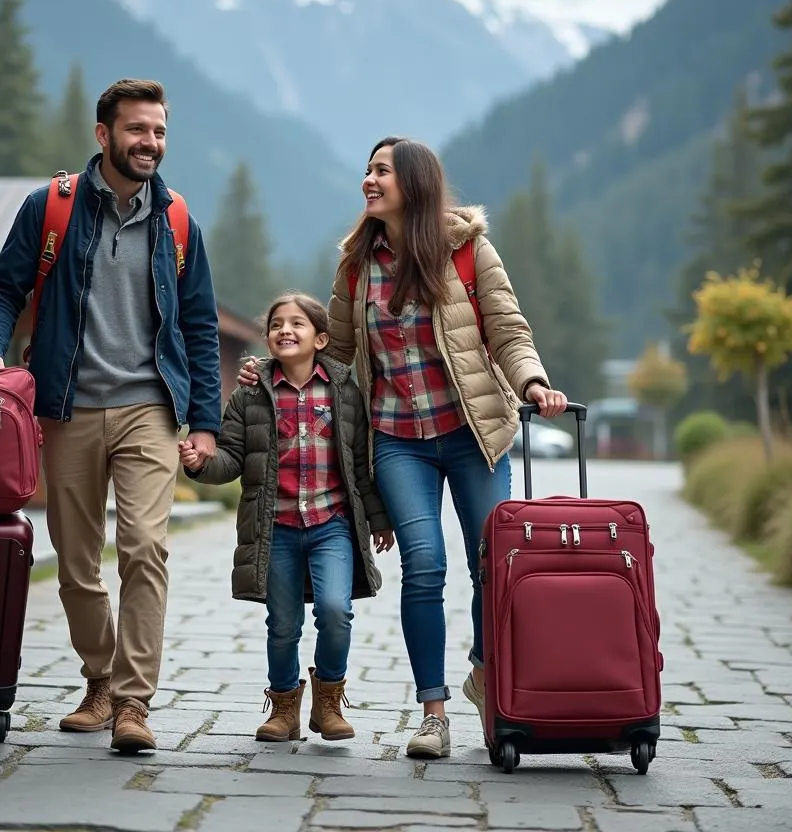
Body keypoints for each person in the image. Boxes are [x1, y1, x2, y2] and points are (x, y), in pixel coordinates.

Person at [239, 137, 567, 760]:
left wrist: (533, 382)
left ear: (413, 183)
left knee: (489, 564)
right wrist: (276, 368)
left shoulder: (466, 249)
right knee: (425, 566)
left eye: (382, 171)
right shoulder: (355, 266)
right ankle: (434, 712)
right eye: (367, 170)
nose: (369, 179)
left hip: (473, 433)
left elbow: (506, 327)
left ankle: (481, 668)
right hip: (397, 441)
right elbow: (333, 355)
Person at [0, 78, 221, 754]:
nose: (151, 143)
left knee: (144, 547)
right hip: (68, 407)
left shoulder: (179, 221)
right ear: (103, 135)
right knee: (76, 562)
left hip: (149, 409)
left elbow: (199, 325)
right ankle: (99, 679)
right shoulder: (51, 208)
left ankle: (133, 704)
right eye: (138, 130)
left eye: (159, 131)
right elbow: (2, 287)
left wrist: (203, 421)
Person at [181, 293, 395, 743]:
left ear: (320, 338)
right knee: (282, 624)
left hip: (331, 523)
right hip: (274, 528)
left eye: (297, 324)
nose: (285, 330)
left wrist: (378, 520)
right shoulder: (249, 395)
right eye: (277, 324)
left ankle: (329, 701)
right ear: (268, 338)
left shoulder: (344, 392)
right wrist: (201, 463)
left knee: (336, 611)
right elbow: (232, 460)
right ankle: (283, 708)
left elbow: (359, 466)